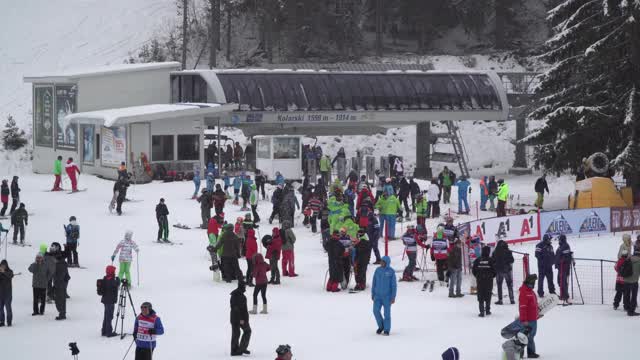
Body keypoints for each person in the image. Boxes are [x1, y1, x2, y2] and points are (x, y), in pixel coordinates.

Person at [371, 256, 397, 336]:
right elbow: (374, 282)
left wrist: (393, 297)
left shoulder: (391, 272)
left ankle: (386, 329)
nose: (381, 263)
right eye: (381, 261)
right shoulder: (377, 270)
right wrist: (373, 293)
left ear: (387, 263)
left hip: (387, 297)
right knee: (375, 311)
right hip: (378, 296)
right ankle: (381, 326)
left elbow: (394, 285)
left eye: (383, 262)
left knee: (387, 314)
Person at [518, 274, 540, 358]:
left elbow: (533, 305)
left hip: (533, 319)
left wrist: (537, 314)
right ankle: (519, 353)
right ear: (528, 282)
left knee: (531, 336)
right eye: (533, 282)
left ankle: (531, 352)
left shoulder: (530, 291)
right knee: (524, 336)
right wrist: (524, 320)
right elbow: (522, 307)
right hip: (527, 320)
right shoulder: (524, 292)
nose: (534, 284)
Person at [472, 246, 496, 317]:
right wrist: (491, 276)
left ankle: (482, 311)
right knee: (488, 294)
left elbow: (474, 270)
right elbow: (495, 271)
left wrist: (477, 276)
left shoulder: (478, 260)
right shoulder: (491, 260)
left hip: (480, 280)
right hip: (489, 280)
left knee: (481, 294)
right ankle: (488, 310)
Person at [230, 282, 252, 356]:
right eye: (244, 286)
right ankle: (238, 350)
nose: (245, 288)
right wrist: (241, 319)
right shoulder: (239, 296)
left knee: (236, 334)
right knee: (246, 331)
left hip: (236, 318)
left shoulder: (236, 295)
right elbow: (236, 308)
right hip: (239, 319)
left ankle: (238, 349)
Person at [493, 240, 515, 305]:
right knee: (509, 285)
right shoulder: (508, 251)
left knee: (499, 285)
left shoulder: (495, 252)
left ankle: (500, 300)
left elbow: (492, 260)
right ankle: (512, 299)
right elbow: (512, 260)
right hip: (507, 270)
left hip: (499, 271)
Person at [100, 265, 120, 337]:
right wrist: (118, 280)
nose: (115, 272)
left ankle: (104, 330)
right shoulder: (111, 280)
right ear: (112, 272)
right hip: (110, 301)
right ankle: (109, 332)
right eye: (114, 271)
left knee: (106, 316)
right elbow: (117, 284)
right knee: (109, 316)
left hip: (106, 300)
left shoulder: (105, 278)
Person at [622, 246, 640, 316]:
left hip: (626, 280)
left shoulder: (628, 258)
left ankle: (626, 307)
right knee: (633, 296)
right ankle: (631, 311)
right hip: (634, 281)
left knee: (626, 294)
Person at [555, 235, 573, 303]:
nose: (558, 240)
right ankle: (562, 294)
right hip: (560, 267)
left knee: (563, 281)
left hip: (564, 267)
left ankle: (565, 295)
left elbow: (567, 257)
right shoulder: (561, 245)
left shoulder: (565, 246)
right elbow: (559, 255)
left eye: (559, 239)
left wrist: (561, 261)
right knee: (559, 281)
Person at [53, 252, 70, 320]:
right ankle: (62, 313)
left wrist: (55, 285)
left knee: (59, 300)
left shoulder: (59, 265)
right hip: (62, 284)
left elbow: (59, 276)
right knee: (61, 300)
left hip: (60, 285)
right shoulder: (63, 263)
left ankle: (62, 313)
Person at [0, 259, 14, 327]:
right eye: (2, 265)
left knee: (8, 308)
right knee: (0, 309)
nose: (3, 266)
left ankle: (9, 321)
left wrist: (4, 272)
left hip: (8, 294)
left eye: (4, 265)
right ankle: (2, 321)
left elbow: (11, 275)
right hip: (0, 294)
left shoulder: (10, 271)